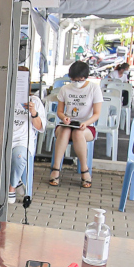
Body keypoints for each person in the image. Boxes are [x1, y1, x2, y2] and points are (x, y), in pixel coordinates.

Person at [49, 60, 101, 188]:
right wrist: (64, 118)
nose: (77, 82)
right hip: (67, 124)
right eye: (74, 80)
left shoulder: (94, 88)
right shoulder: (65, 89)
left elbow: (96, 114)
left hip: (87, 126)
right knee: (65, 131)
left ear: (85, 77)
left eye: (80, 79)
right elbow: (59, 111)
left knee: (78, 133)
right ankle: (56, 168)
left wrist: (85, 123)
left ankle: (84, 169)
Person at [10, 67, 44, 203]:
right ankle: (17, 180)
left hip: (22, 141)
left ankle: (11, 187)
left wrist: (33, 112)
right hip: (5, 139)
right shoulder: (5, 98)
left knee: (18, 156)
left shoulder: (34, 101)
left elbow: (40, 127)